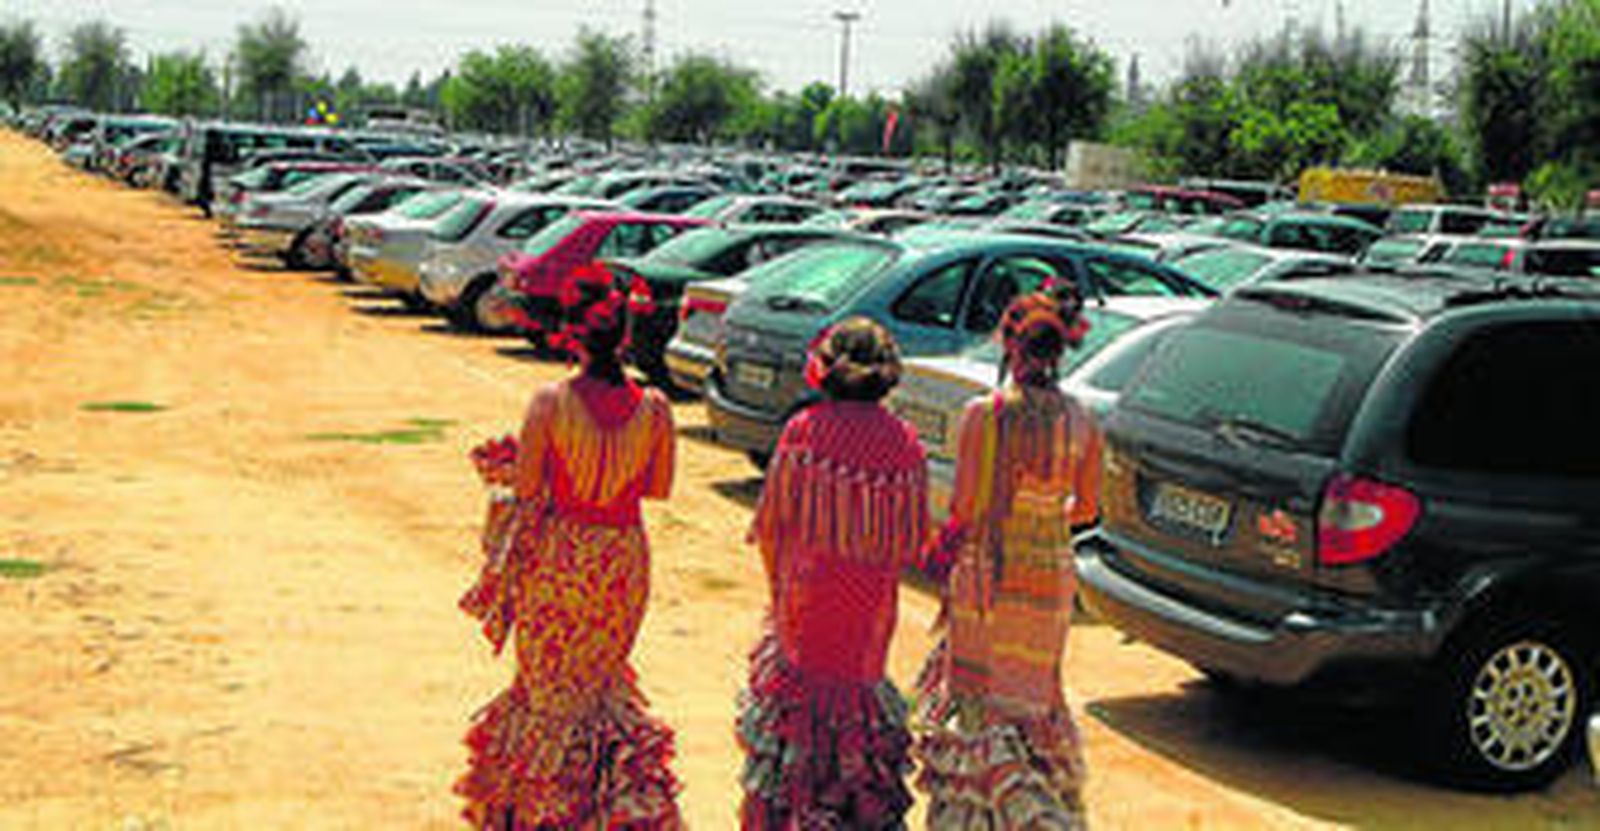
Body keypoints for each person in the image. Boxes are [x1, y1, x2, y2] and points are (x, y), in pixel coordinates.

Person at [455, 264, 682, 829]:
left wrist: (507, 465)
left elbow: (529, 487)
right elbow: (657, 488)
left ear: (574, 334)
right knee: (599, 683)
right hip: (620, 558)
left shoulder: (550, 402)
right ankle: (601, 807)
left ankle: (539, 809)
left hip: (561, 555)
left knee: (548, 689)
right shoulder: (655, 407)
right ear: (625, 335)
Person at [912, 288, 1101, 829]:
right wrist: (1043, 516)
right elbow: (1086, 508)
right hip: (1049, 573)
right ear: (1061, 352)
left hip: (989, 568)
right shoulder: (1083, 420)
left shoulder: (983, 415)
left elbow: (966, 506)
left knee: (980, 700)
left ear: (1009, 347)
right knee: (1034, 697)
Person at [737, 318, 930, 829]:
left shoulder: (805, 431)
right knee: (858, 707)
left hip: (807, 599)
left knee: (800, 720)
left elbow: (773, 525)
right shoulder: (905, 443)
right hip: (870, 609)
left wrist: (778, 596)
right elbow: (911, 543)